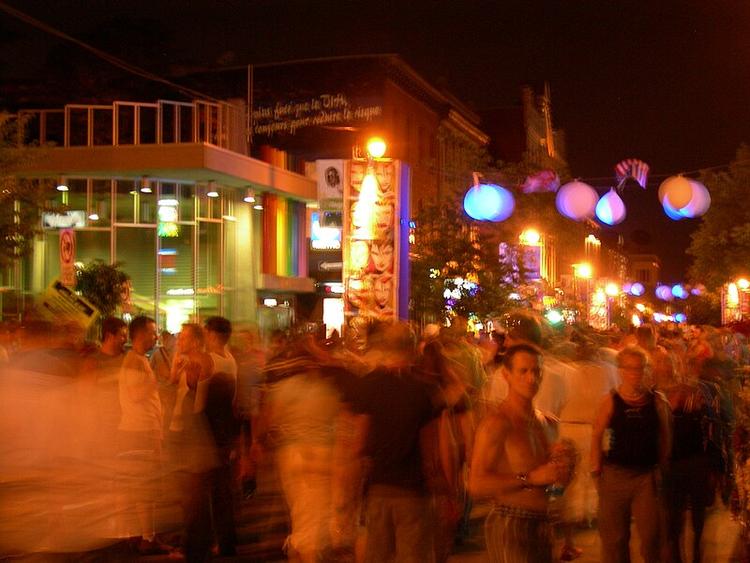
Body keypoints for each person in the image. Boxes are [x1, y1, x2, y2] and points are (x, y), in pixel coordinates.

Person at [469, 344, 574, 563]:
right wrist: (529, 478)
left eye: (536, 371)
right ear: (506, 375)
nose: (531, 378)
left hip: (544, 523)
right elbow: (476, 485)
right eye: (523, 371)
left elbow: (556, 487)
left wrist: (566, 468)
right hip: (512, 521)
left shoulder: (547, 423)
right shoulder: (497, 424)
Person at [590, 346, 672, 563]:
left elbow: (665, 436)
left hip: (646, 477)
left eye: (640, 368)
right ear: (620, 370)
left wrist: (662, 467)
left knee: (651, 536)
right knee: (615, 539)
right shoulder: (611, 401)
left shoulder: (657, 401)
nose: (635, 373)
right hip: (615, 475)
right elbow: (596, 435)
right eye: (629, 368)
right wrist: (596, 471)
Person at [117, 315, 171, 555]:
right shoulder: (134, 361)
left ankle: (140, 535)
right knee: (146, 487)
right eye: (152, 332)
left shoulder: (139, 359)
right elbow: (136, 393)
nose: (156, 336)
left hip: (142, 430)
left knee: (141, 487)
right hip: (140, 431)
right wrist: (158, 378)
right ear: (139, 334)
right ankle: (147, 538)